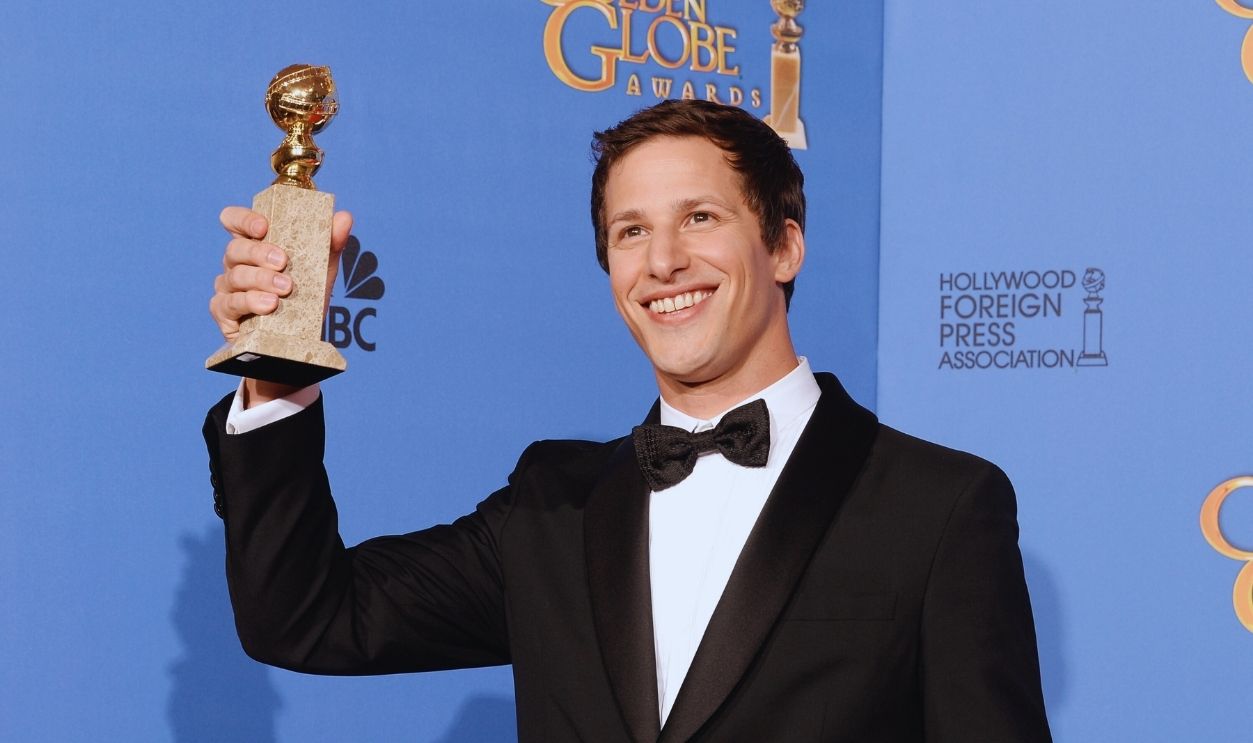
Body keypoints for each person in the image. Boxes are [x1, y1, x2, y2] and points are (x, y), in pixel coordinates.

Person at [204, 100, 1052, 742]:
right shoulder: (553, 507)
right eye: (630, 230)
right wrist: (274, 375)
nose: (663, 261)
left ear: (784, 245)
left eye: (700, 217)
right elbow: (306, 616)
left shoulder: (938, 506)